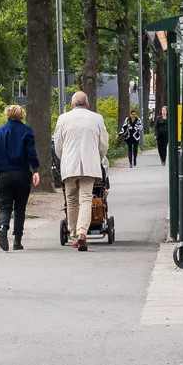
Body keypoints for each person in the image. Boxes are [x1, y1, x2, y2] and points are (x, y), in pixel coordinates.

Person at [52, 90, 110, 251]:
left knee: (71, 200)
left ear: (71, 105)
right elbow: (104, 144)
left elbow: (57, 145)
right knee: (85, 199)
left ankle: (73, 234)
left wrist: (64, 157)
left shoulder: (63, 119)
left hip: (69, 166)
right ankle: (82, 233)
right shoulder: (97, 118)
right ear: (87, 104)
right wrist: (98, 157)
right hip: (89, 165)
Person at [0, 104, 40, 252]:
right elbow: (31, 153)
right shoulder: (27, 131)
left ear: (6, 115)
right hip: (22, 173)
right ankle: (17, 240)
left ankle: (3, 227)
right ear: (21, 115)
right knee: (20, 207)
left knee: (4, 206)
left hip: (3, 175)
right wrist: (36, 170)